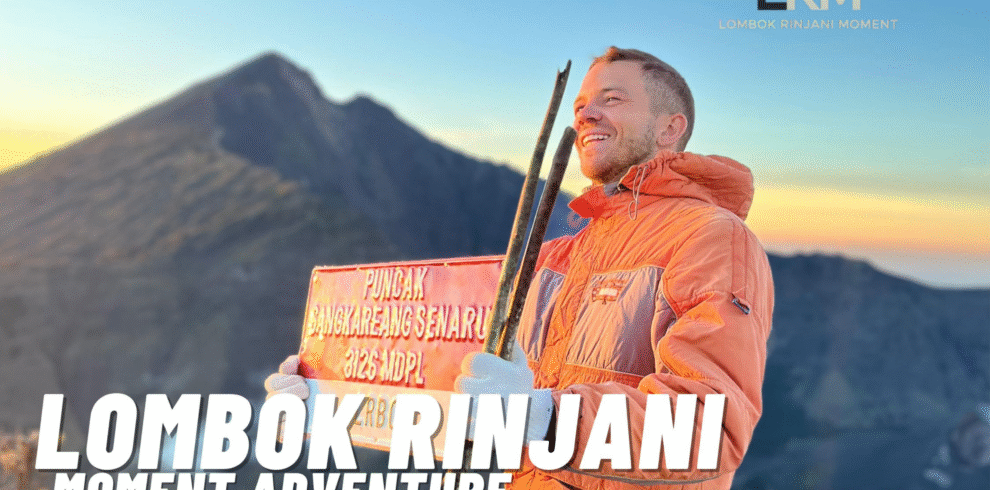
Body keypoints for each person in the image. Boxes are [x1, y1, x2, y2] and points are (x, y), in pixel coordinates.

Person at [267, 47, 774, 490]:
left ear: (670, 127)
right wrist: (329, 396)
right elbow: (462, 384)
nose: (586, 116)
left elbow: (713, 426)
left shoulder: (712, 238)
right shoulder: (559, 256)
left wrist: (546, 418)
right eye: (579, 107)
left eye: (612, 100)